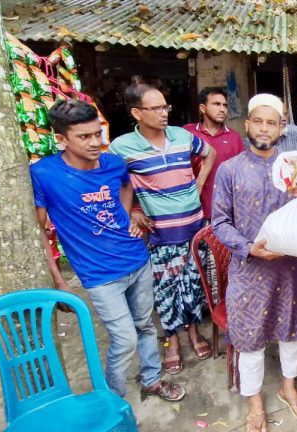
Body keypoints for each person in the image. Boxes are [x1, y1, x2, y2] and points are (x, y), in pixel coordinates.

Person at [31, 99, 184, 402]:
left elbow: (126, 186)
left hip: (136, 260)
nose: (95, 142)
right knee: (124, 339)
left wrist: (127, 215)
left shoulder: (113, 163)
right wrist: (59, 280)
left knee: (144, 326)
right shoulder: (44, 173)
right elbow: (39, 230)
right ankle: (113, 398)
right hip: (98, 275)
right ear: (61, 139)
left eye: (97, 133)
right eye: (84, 137)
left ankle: (151, 379)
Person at [212, 94, 297, 432]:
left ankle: (288, 387)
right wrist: (249, 248)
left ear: (281, 128)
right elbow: (220, 223)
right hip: (250, 268)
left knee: (292, 331)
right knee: (250, 337)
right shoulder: (229, 170)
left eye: (272, 122)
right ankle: (254, 401)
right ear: (247, 125)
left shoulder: (294, 169)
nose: (264, 128)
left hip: (291, 267)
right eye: (259, 121)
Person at [109, 83, 216, 375]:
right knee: (166, 290)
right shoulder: (121, 147)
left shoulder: (183, 136)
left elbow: (210, 153)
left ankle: (193, 334)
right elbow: (119, 184)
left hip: (193, 226)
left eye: (164, 106)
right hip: (160, 233)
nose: (163, 113)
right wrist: (131, 211)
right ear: (136, 113)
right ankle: (173, 342)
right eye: (154, 108)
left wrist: (201, 182)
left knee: (193, 285)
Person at [183, 87, 244, 221]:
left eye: (224, 105)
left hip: (226, 212)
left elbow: (241, 175)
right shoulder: (187, 133)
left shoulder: (234, 137)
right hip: (193, 210)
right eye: (216, 104)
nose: (222, 109)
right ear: (203, 108)